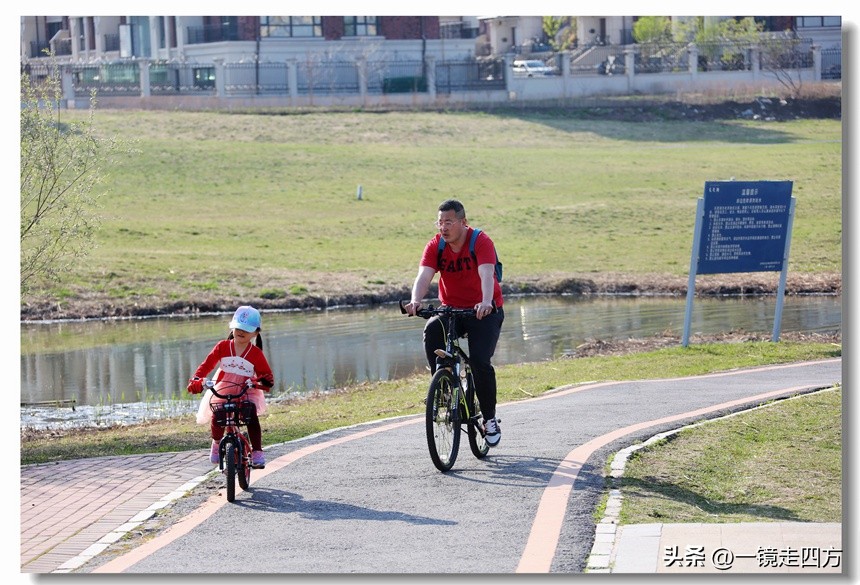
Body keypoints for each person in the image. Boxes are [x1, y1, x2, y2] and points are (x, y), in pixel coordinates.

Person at [403, 199, 505, 446]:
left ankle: (489, 419)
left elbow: (486, 274)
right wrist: (415, 300)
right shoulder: (436, 245)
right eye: (440, 222)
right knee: (431, 330)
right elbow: (424, 275)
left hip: (484, 311)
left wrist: (485, 301)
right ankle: (444, 387)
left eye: (448, 222)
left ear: (463, 222)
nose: (443, 227)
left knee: (480, 361)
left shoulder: (480, 241)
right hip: (452, 310)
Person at [187, 305, 274, 468]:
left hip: (246, 390)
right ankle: (216, 442)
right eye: (238, 327)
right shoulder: (222, 347)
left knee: (251, 417)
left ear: (256, 333)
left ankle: (257, 451)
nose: (241, 332)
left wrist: (258, 382)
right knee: (217, 415)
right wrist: (197, 379)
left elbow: (266, 376)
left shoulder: (255, 353)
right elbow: (206, 365)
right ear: (232, 326)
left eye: (246, 330)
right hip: (224, 388)